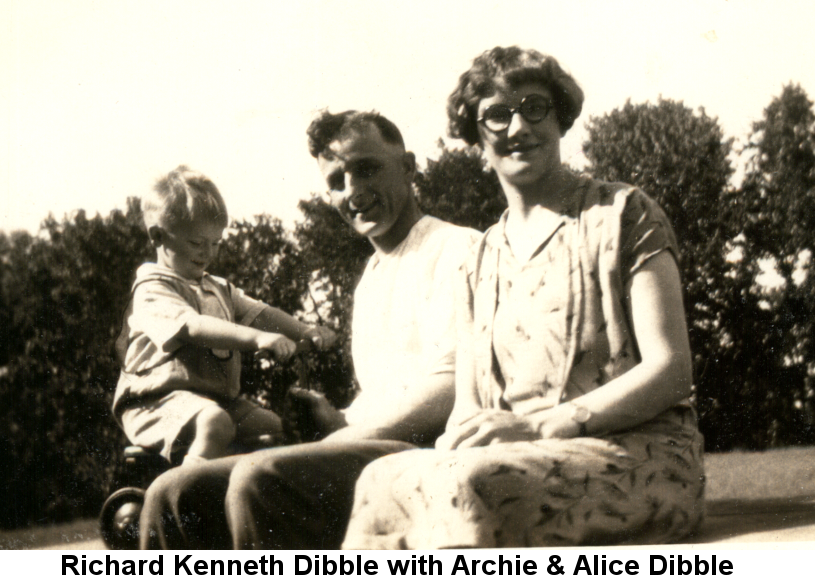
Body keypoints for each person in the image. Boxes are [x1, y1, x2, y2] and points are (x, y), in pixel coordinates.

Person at [341, 46, 705, 549]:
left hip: (635, 453)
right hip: (515, 454)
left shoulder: (621, 212)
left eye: (534, 108)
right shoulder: (477, 260)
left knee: (478, 486)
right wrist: (457, 442)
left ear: (560, 119)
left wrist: (537, 427)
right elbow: (468, 406)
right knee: (380, 482)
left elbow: (671, 369)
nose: (518, 128)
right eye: (496, 115)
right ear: (476, 140)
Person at [138, 113, 479, 549]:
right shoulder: (372, 276)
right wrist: (336, 418)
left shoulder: (454, 248)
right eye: (337, 180)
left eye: (367, 168)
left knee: (260, 478)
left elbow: (449, 389)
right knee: (175, 491)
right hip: (374, 448)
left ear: (409, 167)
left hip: (432, 454)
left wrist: (343, 437)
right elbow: (385, 394)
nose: (352, 190)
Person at [114, 165, 337, 466]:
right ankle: (186, 494)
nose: (208, 252)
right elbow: (194, 327)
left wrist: (304, 330)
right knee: (215, 424)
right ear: (157, 236)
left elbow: (261, 313)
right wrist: (258, 339)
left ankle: (251, 497)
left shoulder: (218, 288)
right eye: (196, 243)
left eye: (215, 243)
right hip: (157, 401)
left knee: (273, 429)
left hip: (217, 400)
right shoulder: (153, 288)